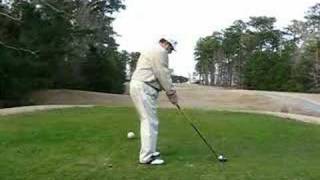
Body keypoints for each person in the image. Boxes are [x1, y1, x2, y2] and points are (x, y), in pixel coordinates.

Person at [130, 37, 178, 165]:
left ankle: (150, 150)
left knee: (149, 120)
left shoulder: (151, 49)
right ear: (166, 43)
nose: (170, 51)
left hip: (142, 86)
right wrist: (171, 92)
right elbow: (162, 73)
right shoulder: (160, 52)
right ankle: (146, 156)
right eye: (171, 48)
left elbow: (158, 73)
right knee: (149, 121)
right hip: (144, 87)